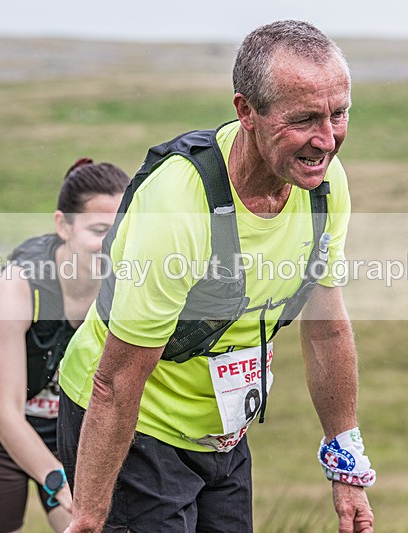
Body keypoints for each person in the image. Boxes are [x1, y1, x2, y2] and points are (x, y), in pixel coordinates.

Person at [58, 20, 375, 533]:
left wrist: (347, 465)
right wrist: (90, 517)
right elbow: (116, 383)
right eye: (304, 119)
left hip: (222, 436)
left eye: (338, 114)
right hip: (134, 426)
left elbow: (326, 328)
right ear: (246, 111)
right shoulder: (181, 208)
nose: (327, 139)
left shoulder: (323, 186)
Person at [0, 158, 129, 533]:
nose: (110, 245)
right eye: (99, 230)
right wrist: (58, 483)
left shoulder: (126, 284)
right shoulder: (17, 288)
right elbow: (6, 415)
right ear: (63, 225)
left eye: (122, 231)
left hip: (75, 436)